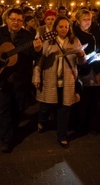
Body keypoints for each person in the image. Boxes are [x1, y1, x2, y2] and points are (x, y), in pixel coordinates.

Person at [0, 8, 43, 153]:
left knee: (18, 108)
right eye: (13, 19)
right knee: (2, 109)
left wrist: (37, 49)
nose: (16, 22)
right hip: (0, 78)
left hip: (20, 80)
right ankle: (6, 139)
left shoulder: (28, 36)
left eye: (19, 20)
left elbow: (33, 55)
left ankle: (11, 131)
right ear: (7, 20)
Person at [32, 16, 86, 148]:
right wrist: (36, 77)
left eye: (66, 27)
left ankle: (62, 135)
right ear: (55, 27)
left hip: (67, 81)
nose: (64, 29)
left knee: (65, 108)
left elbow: (81, 62)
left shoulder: (75, 41)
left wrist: (81, 55)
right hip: (50, 80)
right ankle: (42, 121)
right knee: (46, 106)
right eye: (60, 26)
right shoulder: (48, 42)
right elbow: (39, 61)